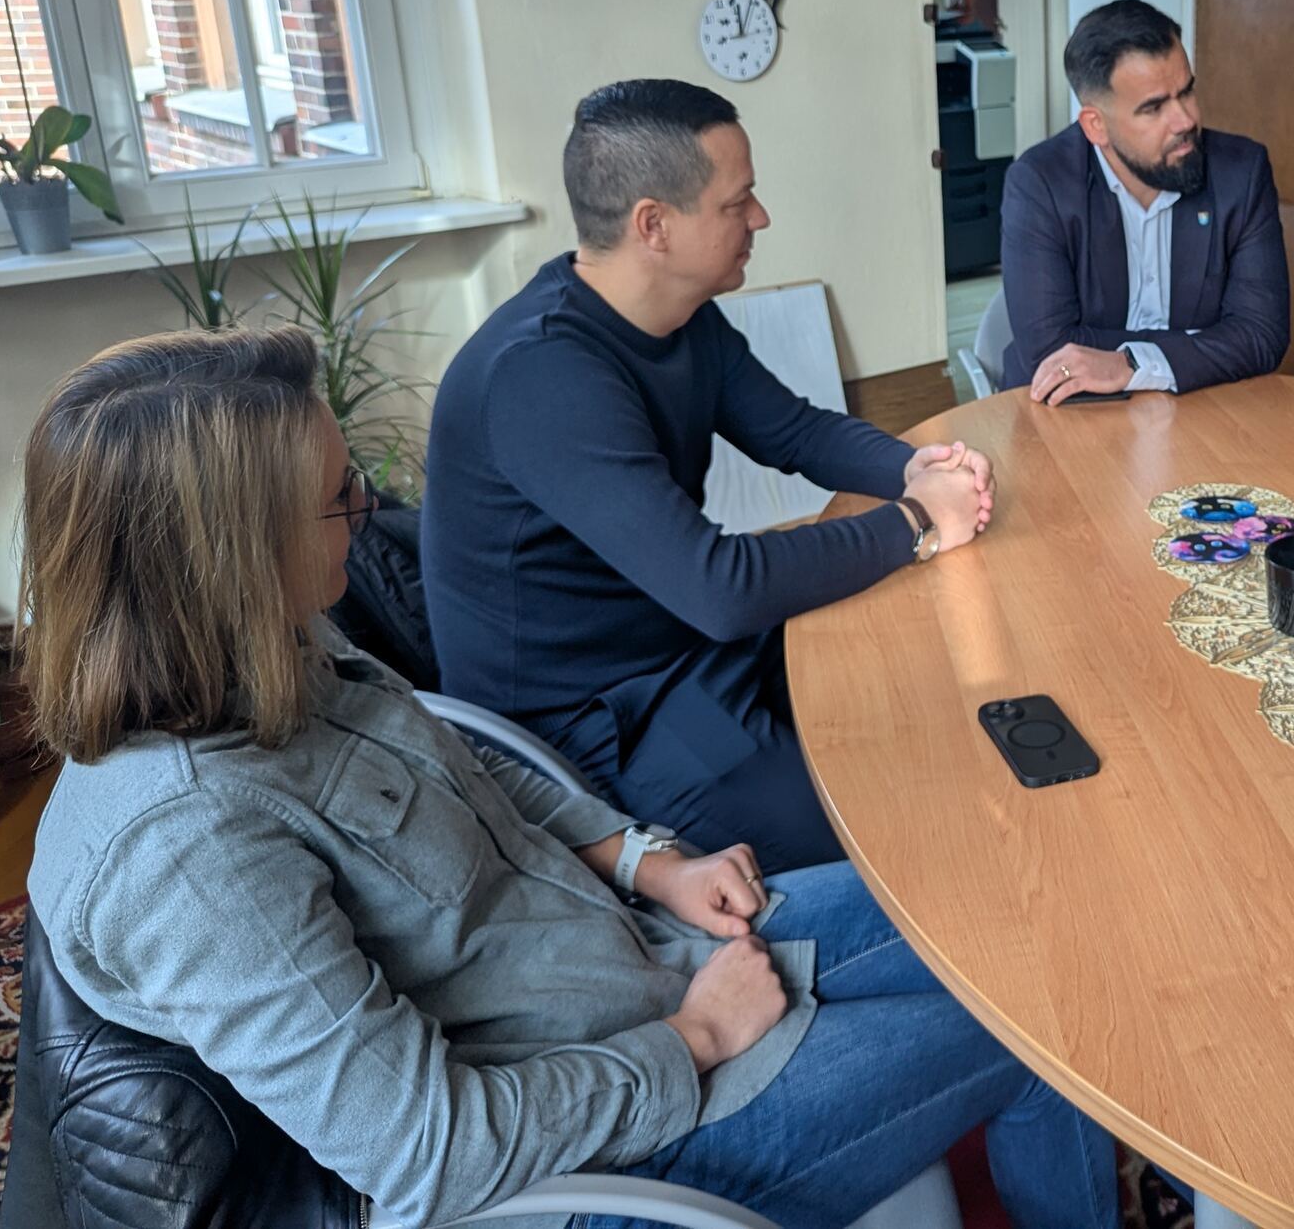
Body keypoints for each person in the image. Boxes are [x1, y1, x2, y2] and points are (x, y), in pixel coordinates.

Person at [21, 327, 1116, 1229]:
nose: (370, 508)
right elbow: (431, 1153)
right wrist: (695, 1038)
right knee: (1052, 1032)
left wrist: (648, 862)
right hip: (610, 1144)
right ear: (229, 557)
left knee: (1012, 919)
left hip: (628, 958)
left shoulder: (261, 644)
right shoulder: (190, 854)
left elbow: (466, 762)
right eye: (338, 496)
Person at [421, 80, 993, 873]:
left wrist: (913, 466)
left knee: (935, 695)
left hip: (681, 639)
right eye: (737, 201)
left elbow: (793, 430)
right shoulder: (542, 376)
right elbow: (720, 587)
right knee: (890, 828)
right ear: (653, 224)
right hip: (596, 715)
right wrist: (915, 521)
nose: (760, 217)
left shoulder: (680, 314)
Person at [999, 0, 1289, 404]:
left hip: (1196, 407)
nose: (1185, 120)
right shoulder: (1039, 184)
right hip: (1069, 411)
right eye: (1154, 108)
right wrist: (1201, 346)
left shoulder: (1241, 172)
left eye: (1187, 91)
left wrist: (1132, 364)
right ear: (1096, 126)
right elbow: (1049, 352)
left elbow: (1261, 335)